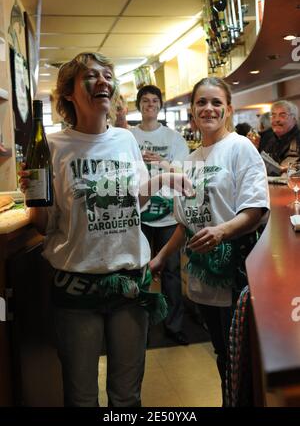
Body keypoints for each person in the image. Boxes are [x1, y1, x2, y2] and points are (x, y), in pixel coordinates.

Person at [18, 53, 193, 407]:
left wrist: (161, 179)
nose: (103, 81)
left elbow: (135, 203)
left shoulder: (125, 140)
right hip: (76, 287)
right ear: (69, 92)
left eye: (107, 75)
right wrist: (32, 196)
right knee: (81, 396)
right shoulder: (53, 146)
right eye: (91, 75)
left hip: (131, 283)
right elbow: (45, 225)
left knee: (127, 397)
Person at [150, 77, 269, 405]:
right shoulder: (189, 160)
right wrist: (161, 256)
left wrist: (223, 231)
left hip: (237, 278)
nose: (209, 108)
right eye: (202, 102)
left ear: (228, 109)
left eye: (216, 102)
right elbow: (184, 224)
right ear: (192, 111)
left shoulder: (240, 148)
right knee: (222, 353)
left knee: (241, 358)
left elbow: (256, 209)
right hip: (202, 282)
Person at [131, 85, 190, 345]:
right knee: (138, 269)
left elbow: (182, 171)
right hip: (139, 214)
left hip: (168, 214)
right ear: (139, 105)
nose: (150, 105)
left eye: (155, 100)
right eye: (145, 101)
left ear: (160, 105)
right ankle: (138, 326)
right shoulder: (128, 137)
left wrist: (160, 162)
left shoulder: (174, 138)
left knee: (171, 272)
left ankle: (174, 325)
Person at [258, 101, 300, 175]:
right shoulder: (268, 138)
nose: (277, 120)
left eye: (282, 115)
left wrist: (293, 168)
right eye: (273, 116)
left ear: (294, 118)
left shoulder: (298, 139)